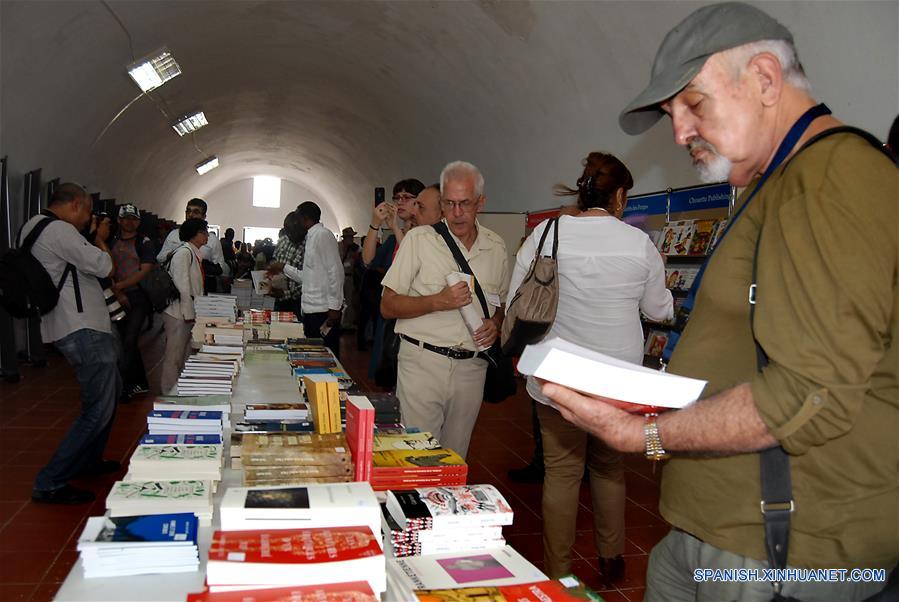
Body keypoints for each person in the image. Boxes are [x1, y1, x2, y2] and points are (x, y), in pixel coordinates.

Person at [540, 4, 898, 601]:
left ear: (763, 78)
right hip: (722, 530)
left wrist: (642, 437)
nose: (678, 132)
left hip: (783, 549)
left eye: (694, 104)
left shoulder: (832, 178)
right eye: (672, 113)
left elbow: (808, 397)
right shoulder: (775, 183)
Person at [508, 152, 672, 585]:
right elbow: (659, 309)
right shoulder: (638, 243)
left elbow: (517, 296)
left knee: (561, 472)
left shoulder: (547, 233)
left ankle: (558, 571)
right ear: (619, 195)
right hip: (617, 381)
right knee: (608, 468)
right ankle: (611, 558)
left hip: (557, 377)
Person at [381, 162, 509, 458]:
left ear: (481, 202)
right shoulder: (420, 240)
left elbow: (500, 303)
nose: (457, 212)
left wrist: (496, 323)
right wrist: (437, 300)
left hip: (471, 368)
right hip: (423, 363)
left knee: (455, 456)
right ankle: (413, 505)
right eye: (449, 203)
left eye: (465, 203)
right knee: (417, 457)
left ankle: (445, 504)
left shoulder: (496, 246)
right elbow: (387, 305)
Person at [24, 183, 121, 504]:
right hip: (83, 327)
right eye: (88, 213)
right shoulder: (61, 232)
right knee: (97, 408)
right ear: (76, 205)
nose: (88, 219)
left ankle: (88, 461)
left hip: (67, 324)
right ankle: (51, 480)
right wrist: (101, 242)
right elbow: (105, 266)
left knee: (106, 395)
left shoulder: (32, 226)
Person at [363, 178, 426, 381]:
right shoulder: (393, 239)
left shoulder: (427, 235)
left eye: (407, 197)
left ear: (420, 202)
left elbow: (414, 260)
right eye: (397, 197)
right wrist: (375, 224)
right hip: (391, 312)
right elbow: (367, 260)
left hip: (413, 313)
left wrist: (396, 228)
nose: (400, 202)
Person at [268, 202, 344, 357]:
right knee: (313, 355)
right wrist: (283, 267)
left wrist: (335, 307)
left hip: (322, 310)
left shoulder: (323, 235)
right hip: (310, 309)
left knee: (325, 356)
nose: (294, 222)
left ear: (305, 219)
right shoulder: (310, 238)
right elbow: (307, 277)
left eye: (297, 218)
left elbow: (336, 272)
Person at [109, 204, 155, 399]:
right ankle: (139, 382)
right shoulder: (111, 241)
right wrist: (116, 290)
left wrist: (121, 286)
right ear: (119, 220)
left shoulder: (144, 242)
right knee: (124, 341)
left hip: (138, 295)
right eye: (126, 218)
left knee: (130, 338)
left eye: (133, 219)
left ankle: (127, 386)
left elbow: (144, 270)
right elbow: (105, 264)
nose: (130, 222)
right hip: (116, 295)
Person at [159, 218, 207, 395]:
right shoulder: (183, 253)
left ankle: (180, 389)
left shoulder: (192, 253)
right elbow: (182, 286)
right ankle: (168, 392)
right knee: (174, 355)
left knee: (184, 353)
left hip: (187, 311)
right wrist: (188, 313)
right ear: (195, 234)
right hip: (178, 312)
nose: (207, 235)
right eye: (204, 232)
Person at [157, 198, 227, 288]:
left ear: (204, 216)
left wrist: (201, 265)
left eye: (196, 212)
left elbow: (220, 267)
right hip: (175, 284)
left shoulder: (211, 239)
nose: (190, 215)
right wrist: (177, 254)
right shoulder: (174, 234)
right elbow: (160, 258)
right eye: (188, 211)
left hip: (202, 284)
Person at [271, 212, 306, 316]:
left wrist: (286, 294)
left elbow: (309, 279)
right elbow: (274, 263)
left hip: (297, 301)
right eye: (289, 232)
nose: (291, 235)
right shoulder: (282, 241)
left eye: (294, 232)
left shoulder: (308, 245)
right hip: (278, 298)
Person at [338, 227, 359, 329]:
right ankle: (338, 322)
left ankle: (347, 323)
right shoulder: (338, 247)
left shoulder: (355, 249)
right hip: (339, 277)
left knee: (349, 301)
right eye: (349, 237)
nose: (351, 239)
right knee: (338, 300)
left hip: (349, 277)